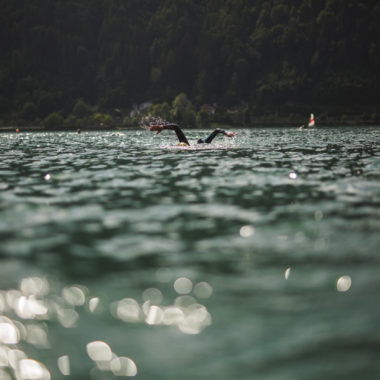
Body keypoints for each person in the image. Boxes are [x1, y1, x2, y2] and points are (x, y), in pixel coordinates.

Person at [149, 123, 235, 146]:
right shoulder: (206, 143)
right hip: (189, 146)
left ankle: (161, 127)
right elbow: (217, 130)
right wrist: (226, 133)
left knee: (176, 127)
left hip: (189, 146)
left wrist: (162, 127)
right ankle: (161, 127)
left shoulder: (205, 144)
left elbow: (176, 127)